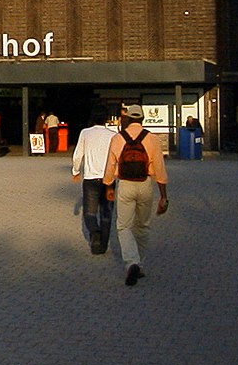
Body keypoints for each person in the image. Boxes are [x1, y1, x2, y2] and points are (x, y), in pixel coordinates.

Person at [102, 104, 168, 286]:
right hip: (145, 184)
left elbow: (110, 165)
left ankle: (132, 261)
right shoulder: (152, 139)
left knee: (123, 226)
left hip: (125, 185)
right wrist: (163, 196)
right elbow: (160, 169)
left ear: (128, 119)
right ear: (143, 119)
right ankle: (140, 263)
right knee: (143, 225)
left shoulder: (117, 138)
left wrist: (108, 186)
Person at [72, 107, 117, 254]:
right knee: (107, 211)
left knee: (90, 212)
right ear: (106, 119)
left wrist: (76, 170)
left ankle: (94, 232)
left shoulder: (85, 133)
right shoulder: (113, 135)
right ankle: (102, 245)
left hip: (91, 178)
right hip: (108, 178)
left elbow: (78, 154)